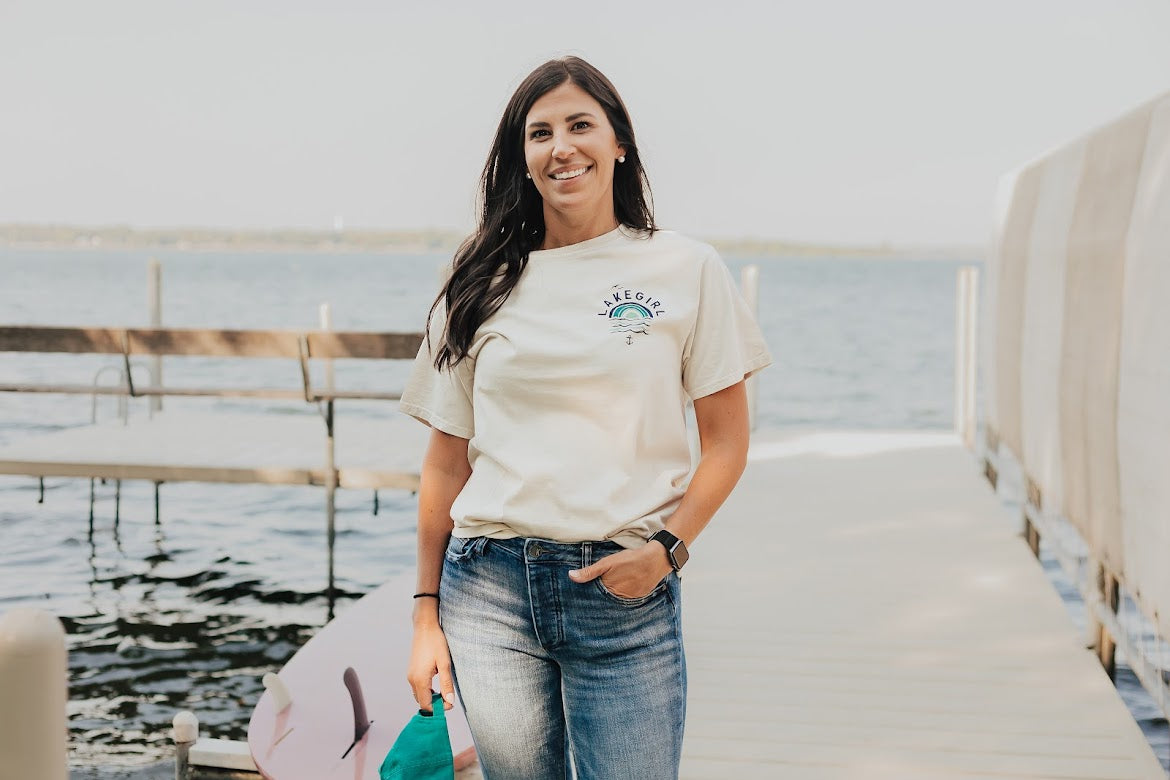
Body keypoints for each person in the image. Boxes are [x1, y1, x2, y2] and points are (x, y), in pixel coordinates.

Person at [398, 55, 772, 780]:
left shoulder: (684, 268)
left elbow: (726, 444)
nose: (561, 147)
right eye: (540, 134)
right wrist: (424, 616)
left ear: (618, 143)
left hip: (623, 590)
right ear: (522, 158)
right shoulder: (478, 278)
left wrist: (667, 550)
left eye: (579, 125)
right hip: (490, 593)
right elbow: (447, 463)